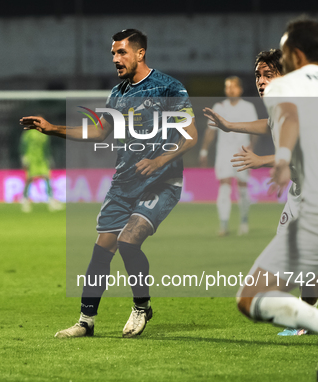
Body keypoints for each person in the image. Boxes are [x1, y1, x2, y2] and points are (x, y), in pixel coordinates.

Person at [20, 29, 197, 338]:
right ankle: (85, 322)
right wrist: (52, 129)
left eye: (121, 53)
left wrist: (158, 161)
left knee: (129, 240)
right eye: (113, 53)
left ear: (140, 53)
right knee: (101, 251)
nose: (115, 59)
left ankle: (141, 305)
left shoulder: (169, 87)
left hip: (162, 181)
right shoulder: (118, 94)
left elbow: (191, 135)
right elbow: (99, 133)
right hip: (124, 183)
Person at [237, 17, 318, 382]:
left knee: (251, 296)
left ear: (294, 53)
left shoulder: (283, 86)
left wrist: (280, 158)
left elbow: (288, 119)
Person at [204, 49, 318, 336]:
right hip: (298, 193)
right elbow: (269, 125)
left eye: (269, 74)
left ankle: (308, 322)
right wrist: (230, 127)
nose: (261, 80)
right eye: (258, 75)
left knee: (292, 262)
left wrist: (262, 160)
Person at [199, 77, 257, 236]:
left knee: (242, 187)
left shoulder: (248, 107)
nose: (230, 90)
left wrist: (252, 147)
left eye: (233, 87)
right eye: (227, 87)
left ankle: (244, 221)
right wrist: (204, 150)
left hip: (242, 152)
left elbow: (255, 129)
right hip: (224, 153)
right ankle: (224, 225)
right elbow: (211, 130)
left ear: (240, 89)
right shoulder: (219, 107)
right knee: (224, 186)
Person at [19, 128, 62, 212]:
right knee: (32, 179)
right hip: (34, 160)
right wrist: (49, 158)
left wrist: (23, 158)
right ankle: (25, 201)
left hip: (38, 160)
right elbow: (47, 149)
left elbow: (22, 146)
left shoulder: (28, 134)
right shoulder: (41, 134)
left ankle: (50, 201)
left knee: (45, 178)